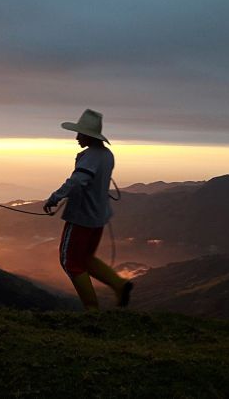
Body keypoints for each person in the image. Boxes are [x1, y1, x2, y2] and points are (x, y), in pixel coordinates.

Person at [43, 109, 133, 310]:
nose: (76, 137)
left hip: (82, 217)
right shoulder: (107, 155)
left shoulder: (90, 156)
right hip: (98, 217)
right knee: (86, 258)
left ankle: (92, 309)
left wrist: (55, 198)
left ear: (87, 135)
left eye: (79, 133)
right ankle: (120, 285)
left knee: (70, 262)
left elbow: (77, 182)